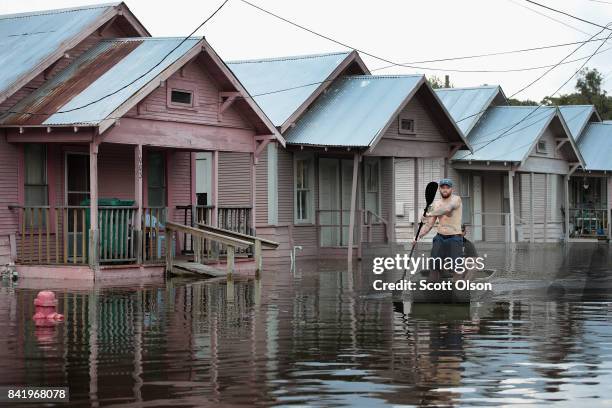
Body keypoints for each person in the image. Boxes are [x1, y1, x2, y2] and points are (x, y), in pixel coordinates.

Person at [414, 178, 462, 278]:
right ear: (439, 189)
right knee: (434, 266)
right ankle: (433, 289)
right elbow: (429, 224)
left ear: (451, 189)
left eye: (447, 187)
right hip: (440, 238)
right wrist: (418, 236)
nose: (445, 189)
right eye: (442, 187)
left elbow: (447, 209)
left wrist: (428, 214)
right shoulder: (435, 204)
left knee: (456, 268)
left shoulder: (456, 199)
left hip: (454, 238)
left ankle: (458, 290)